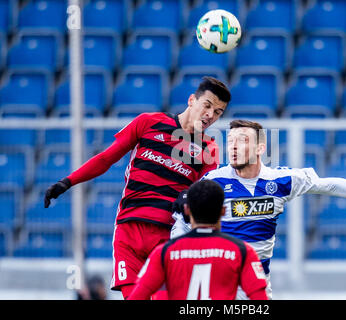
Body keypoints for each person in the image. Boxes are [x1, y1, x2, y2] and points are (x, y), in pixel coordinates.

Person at [171, 119, 346, 299]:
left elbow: (331, 185)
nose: (234, 146)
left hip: (257, 283)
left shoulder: (282, 180)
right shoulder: (214, 181)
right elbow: (182, 218)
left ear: (261, 148)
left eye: (242, 141)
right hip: (219, 279)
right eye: (231, 141)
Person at [43, 77, 231, 299]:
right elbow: (106, 158)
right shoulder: (149, 123)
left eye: (218, 112)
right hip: (128, 233)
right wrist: (68, 181)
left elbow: (204, 194)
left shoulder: (209, 148)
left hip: (167, 236)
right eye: (207, 105)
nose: (210, 115)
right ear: (192, 100)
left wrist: (189, 194)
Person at [128, 180, 268, 300]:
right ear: (223, 211)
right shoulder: (242, 251)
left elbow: (137, 296)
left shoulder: (163, 253)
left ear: (187, 210)